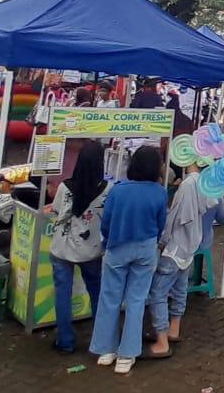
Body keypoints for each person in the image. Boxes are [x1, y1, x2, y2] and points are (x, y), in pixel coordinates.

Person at [90, 145, 168, 375]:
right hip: (145, 248)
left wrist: (106, 244)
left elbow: (106, 222)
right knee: (136, 301)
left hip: (117, 246)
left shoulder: (117, 190)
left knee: (110, 298)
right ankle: (127, 355)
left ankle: (106, 349)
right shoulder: (160, 192)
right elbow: (161, 223)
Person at [146, 160, 221, 358]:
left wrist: (162, 241)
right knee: (179, 289)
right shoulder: (204, 184)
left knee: (158, 293)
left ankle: (162, 341)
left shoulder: (189, 184)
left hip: (175, 245)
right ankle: (173, 329)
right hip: (190, 243)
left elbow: (176, 217)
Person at [48, 142, 110, 354]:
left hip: (62, 248)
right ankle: (100, 338)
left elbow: (56, 210)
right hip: (91, 250)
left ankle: (66, 341)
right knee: (96, 292)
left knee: (62, 294)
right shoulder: (107, 190)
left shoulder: (65, 187)